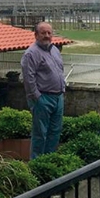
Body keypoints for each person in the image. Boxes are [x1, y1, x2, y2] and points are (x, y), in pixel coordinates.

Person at [21, 22, 65, 159]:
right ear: (36, 35)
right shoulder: (31, 54)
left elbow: (60, 71)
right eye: (43, 33)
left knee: (55, 132)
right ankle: (37, 165)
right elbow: (29, 78)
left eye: (49, 33)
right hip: (42, 99)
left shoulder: (54, 50)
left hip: (58, 98)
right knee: (40, 134)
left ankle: (49, 161)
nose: (46, 35)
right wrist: (37, 98)